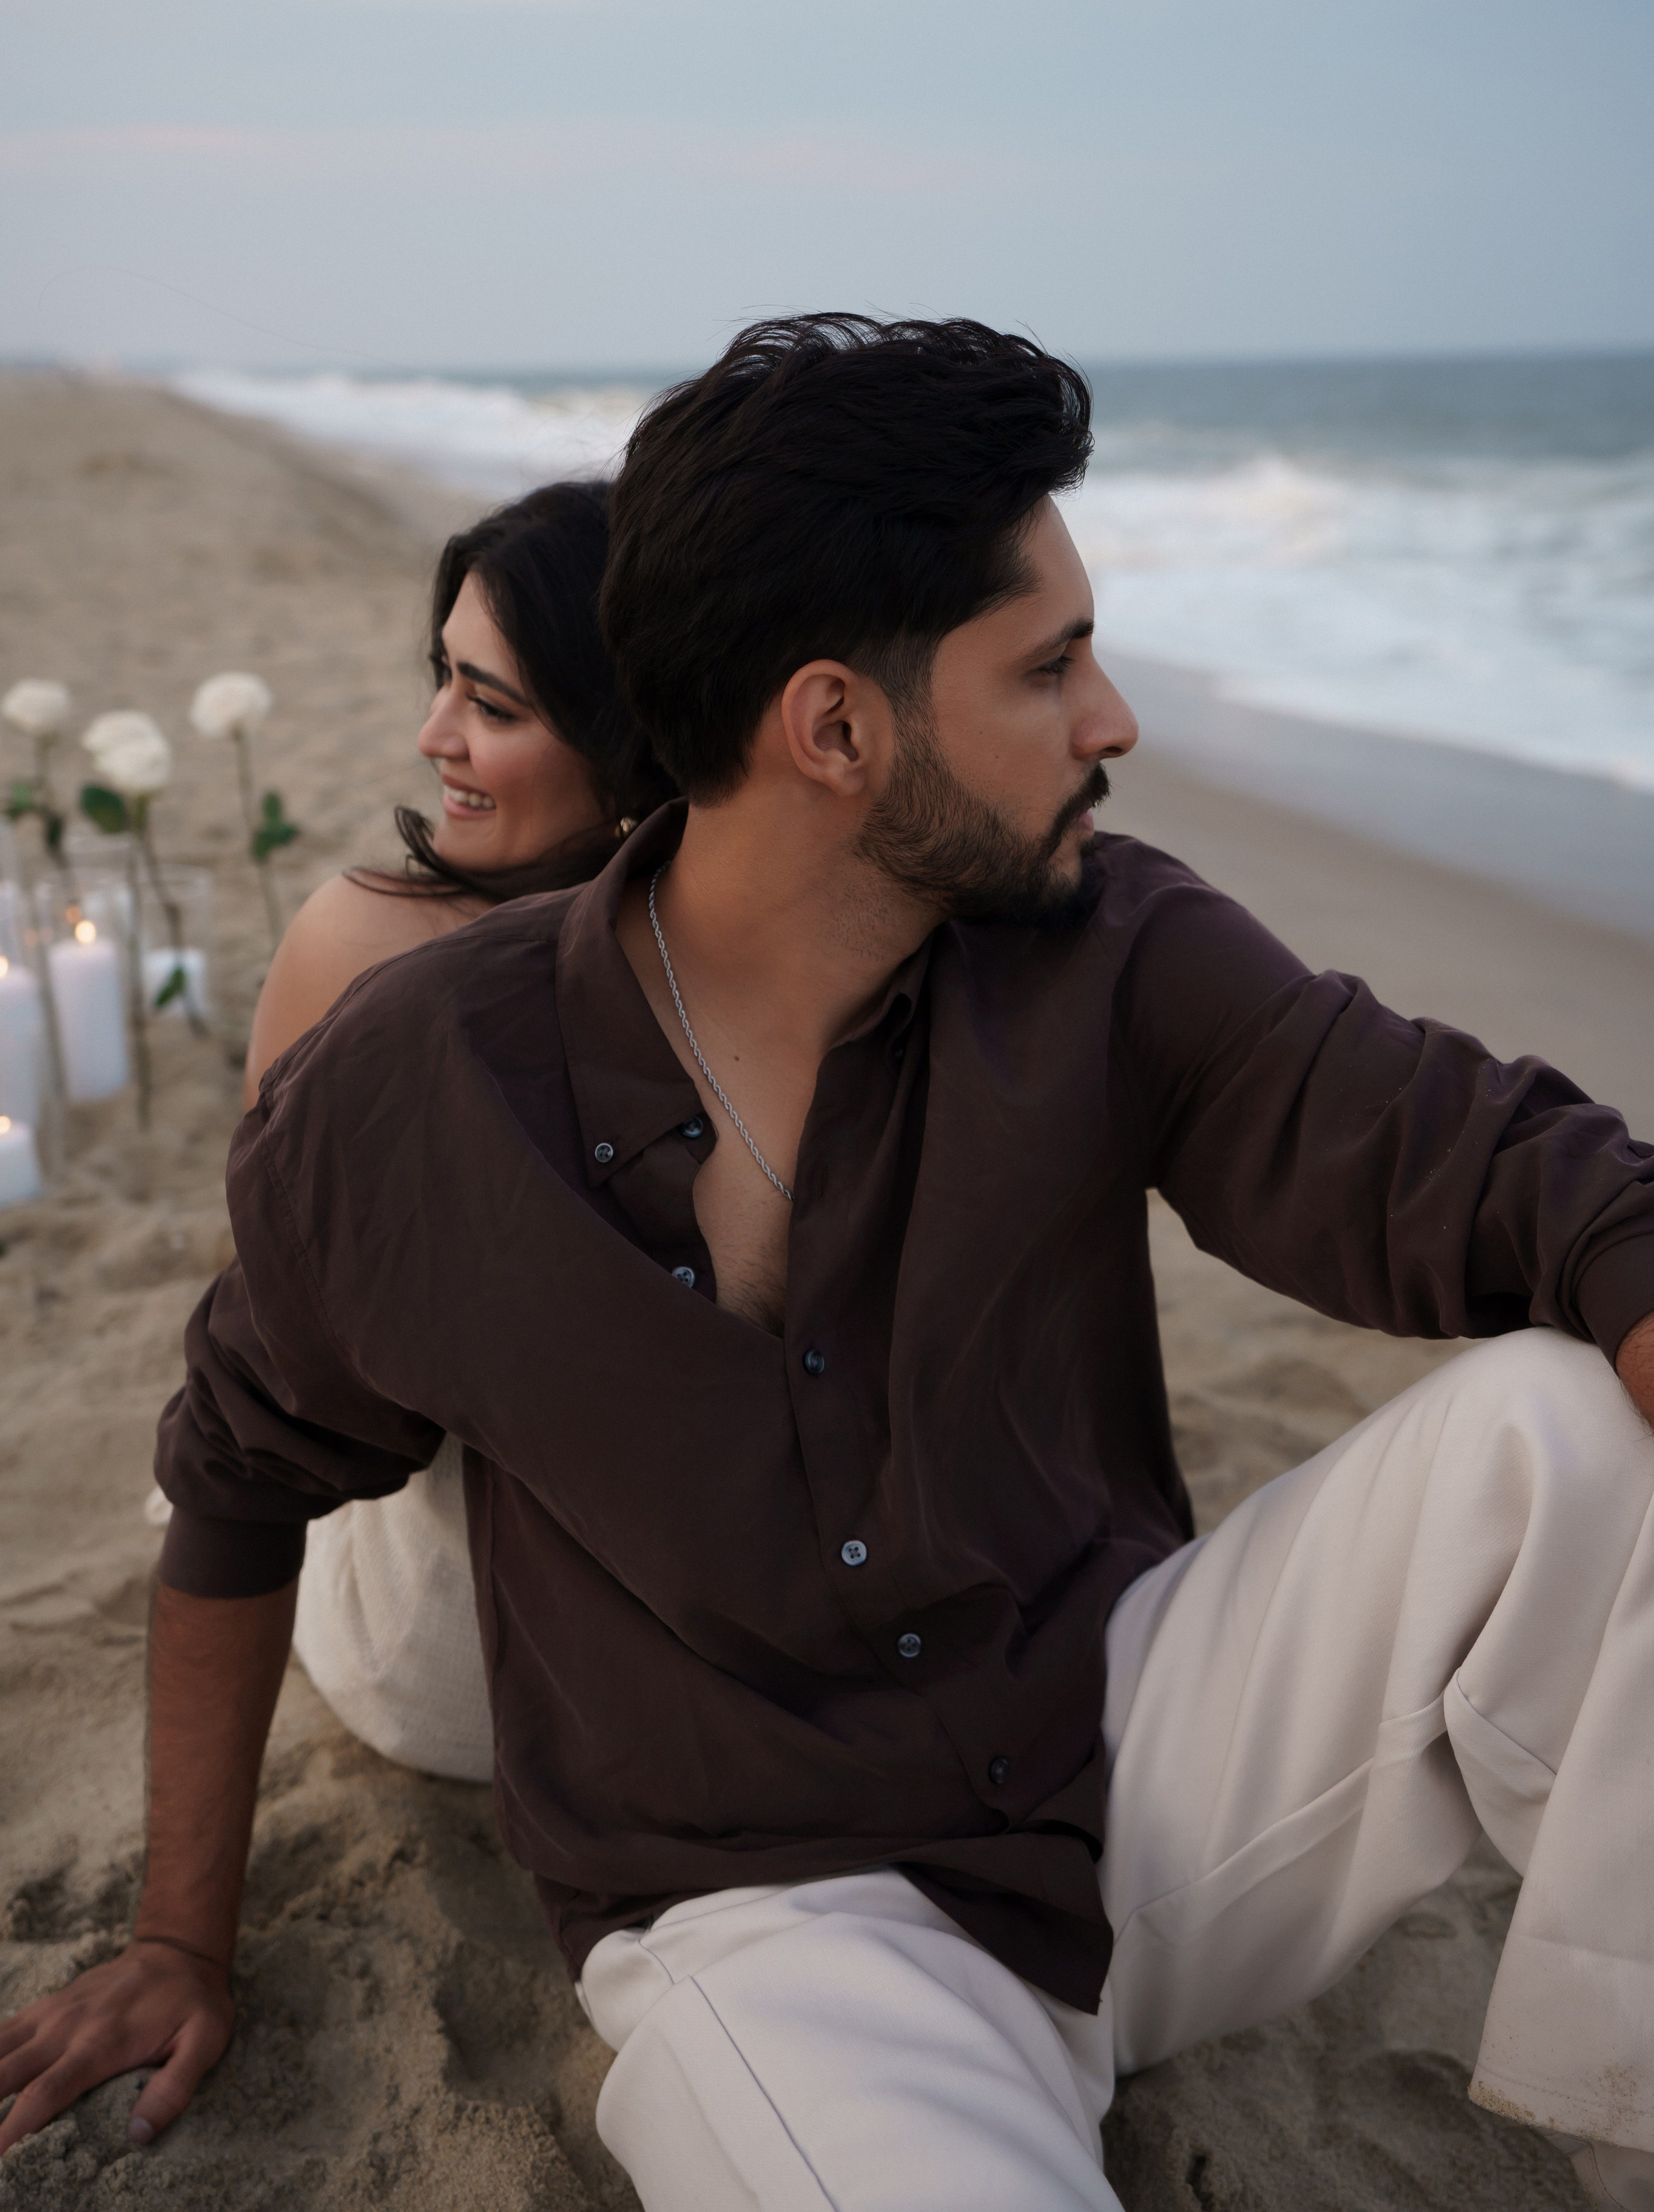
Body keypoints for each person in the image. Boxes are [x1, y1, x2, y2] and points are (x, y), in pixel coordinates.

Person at [1, 315, 1650, 2212]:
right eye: (1050, 670)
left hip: (1136, 1746)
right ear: (839, 730)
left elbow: (1495, 1160)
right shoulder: (427, 1087)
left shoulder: (1108, 944)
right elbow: (232, 1479)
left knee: (1570, 1429)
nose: (1112, 721)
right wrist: (179, 1942)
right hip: (781, 1923)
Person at [255, 478, 675, 1780]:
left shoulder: (369, 939)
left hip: (544, 1644)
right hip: (557, 1639)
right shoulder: (767, 952)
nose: (433, 733)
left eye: (490, 706)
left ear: (628, 740)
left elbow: (270, 1310)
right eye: (444, 679)